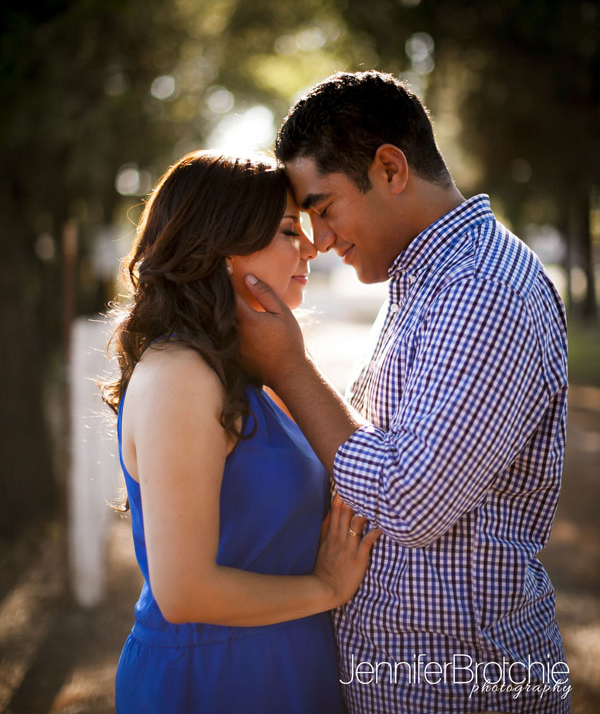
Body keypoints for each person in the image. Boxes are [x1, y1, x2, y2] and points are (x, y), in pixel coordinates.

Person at [236, 71, 571, 714]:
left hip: (463, 685)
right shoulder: (424, 279)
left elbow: (411, 500)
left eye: (324, 208)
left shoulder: (484, 289)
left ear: (390, 169)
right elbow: (381, 447)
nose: (321, 241)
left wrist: (291, 370)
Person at [102, 150, 381, 714]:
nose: (309, 247)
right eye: (285, 231)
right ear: (222, 250)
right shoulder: (181, 375)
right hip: (216, 679)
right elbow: (183, 590)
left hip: (286, 664)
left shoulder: (245, 370)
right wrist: (326, 590)